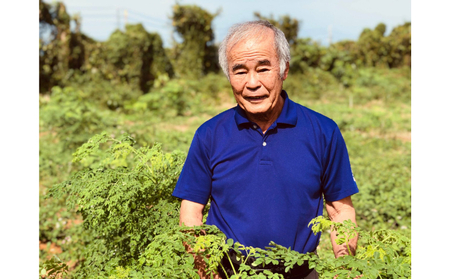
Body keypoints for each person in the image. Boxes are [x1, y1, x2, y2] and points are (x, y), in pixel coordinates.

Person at [172, 20, 359, 279]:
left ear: (284, 70)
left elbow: (340, 210)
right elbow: (191, 209)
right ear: (228, 76)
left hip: (299, 273)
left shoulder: (323, 131)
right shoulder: (210, 134)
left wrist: (346, 267)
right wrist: (205, 267)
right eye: (239, 71)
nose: (252, 83)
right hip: (228, 273)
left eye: (263, 68)